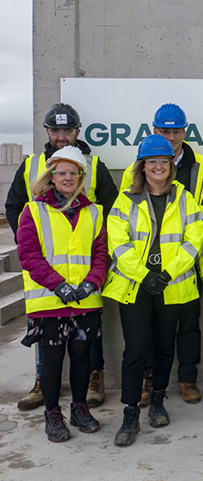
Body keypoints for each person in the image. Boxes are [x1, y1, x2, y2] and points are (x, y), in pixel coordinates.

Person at [7, 103, 118, 411]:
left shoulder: (95, 166)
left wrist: (98, 265)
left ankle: (95, 378)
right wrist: (30, 241)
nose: (61, 135)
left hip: (86, 272)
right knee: (49, 344)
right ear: (47, 132)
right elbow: (14, 206)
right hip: (46, 276)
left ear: (76, 132)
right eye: (55, 130)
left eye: (67, 130)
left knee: (87, 343)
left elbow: (111, 209)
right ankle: (43, 383)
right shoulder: (32, 165)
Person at [106, 134, 203, 446]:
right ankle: (130, 413)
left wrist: (166, 272)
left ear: (171, 165)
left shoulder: (185, 198)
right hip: (135, 286)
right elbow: (117, 243)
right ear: (142, 166)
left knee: (165, 346)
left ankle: (158, 400)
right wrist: (144, 274)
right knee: (136, 349)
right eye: (152, 161)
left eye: (164, 161)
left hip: (170, 284)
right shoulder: (126, 200)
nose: (159, 166)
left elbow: (194, 239)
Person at [120, 103, 203, 405]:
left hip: (189, 262)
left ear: (185, 132)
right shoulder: (134, 170)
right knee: (151, 328)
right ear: (154, 131)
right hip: (148, 269)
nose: (171, 135)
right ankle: (149, 381)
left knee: (189, 324)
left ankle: (187, 378)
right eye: (164, 130)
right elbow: (128, 216)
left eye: (176, 130)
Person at [18, 147, 107, 442]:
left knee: (83, 358)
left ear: (81, 177)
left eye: (73, 173)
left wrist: (91, 283)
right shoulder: (33, 210)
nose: (67, 177)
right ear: (51, 176)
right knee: (52, 360)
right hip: (49, 300)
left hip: (85, 300)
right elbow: (29, 255)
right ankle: (52, 413)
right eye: (62, 172)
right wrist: (58, 285)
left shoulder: (94, 212)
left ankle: (79, 408)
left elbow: (101, 254)